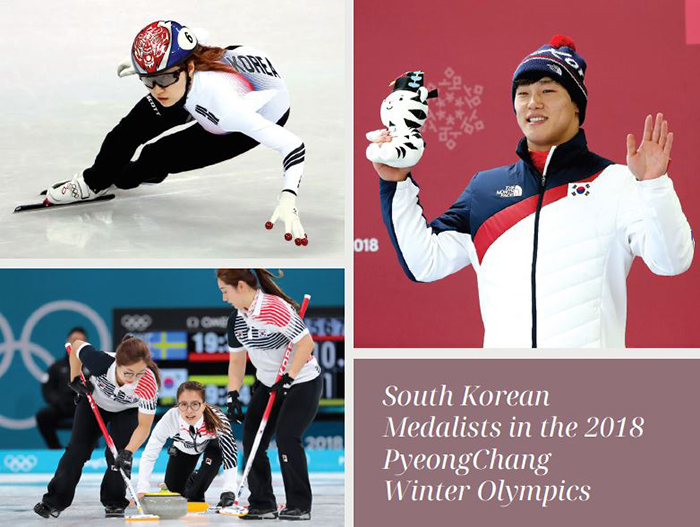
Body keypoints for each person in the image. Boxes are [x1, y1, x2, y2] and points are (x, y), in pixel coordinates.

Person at [371, 35, 694, 348]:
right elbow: (423, 262)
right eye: (522, 93)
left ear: (577, 107)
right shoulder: (485, 189)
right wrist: (396, 183)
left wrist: (654, 185)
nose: (533, 102)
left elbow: (672, 261)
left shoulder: (618, 182)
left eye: (548, 90)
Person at [46, 20, 308, 246]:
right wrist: (147, 67)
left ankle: (131, 175)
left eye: (165, 78)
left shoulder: (228, 109)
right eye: (148, 80)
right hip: (223, 73)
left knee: (159, 156)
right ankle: (94, 183)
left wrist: (288, 196)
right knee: (126, 132)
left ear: (189, 68)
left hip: (261, 109)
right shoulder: (178, 68)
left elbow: (293, 146)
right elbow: (190, 38)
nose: (157, 89)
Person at [217, 269, 321, 521]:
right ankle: (262, 503)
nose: (224, 298)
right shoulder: (237, 320)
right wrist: (233, 394)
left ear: (241, 286)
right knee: (252, 442)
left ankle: (299, 504)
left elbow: (306, 344)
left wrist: (289, 377)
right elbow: (237, 361)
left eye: (225, 291)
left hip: (301, 380)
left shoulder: (275, 308)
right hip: (266, 383)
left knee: (287, 437)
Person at [34, 335, 161, 519]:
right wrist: (75, 377)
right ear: (117, 363)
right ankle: (53, 502)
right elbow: (76, 345)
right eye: (128, 373)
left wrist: (128, 452)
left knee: (118, 456)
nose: (134, 379)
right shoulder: (101, 362)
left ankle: (115, 501)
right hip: (95, 403)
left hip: (127, 411)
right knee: (76, 452)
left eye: (139, 373)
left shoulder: (148, 383)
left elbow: (143, 427)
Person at [135, 380, 238, 507]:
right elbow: (150, 454)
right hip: (183, 450)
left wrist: (229, 490)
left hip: (211, 447)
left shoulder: (218, 420)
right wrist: (142, 489)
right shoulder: (169, 419)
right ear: (178, 405)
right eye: (183, 404)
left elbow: (230, 454)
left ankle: (198, 484)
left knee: (195, 495)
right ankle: (193, 478)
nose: (189, 411)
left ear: (204, 405)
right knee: (175, 496)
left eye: (195, 404)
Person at [35, 327, 88, 449]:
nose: (76, 344)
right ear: (67, 341)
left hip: (83, 408)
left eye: (80, 341)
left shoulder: (91, 367)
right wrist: (58, 402)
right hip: (61, 407)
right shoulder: (56, 367)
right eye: (74, 340)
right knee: (43, 416)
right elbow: (47, 390)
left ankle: (87, 449)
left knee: (96, 416)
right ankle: (55, 449)